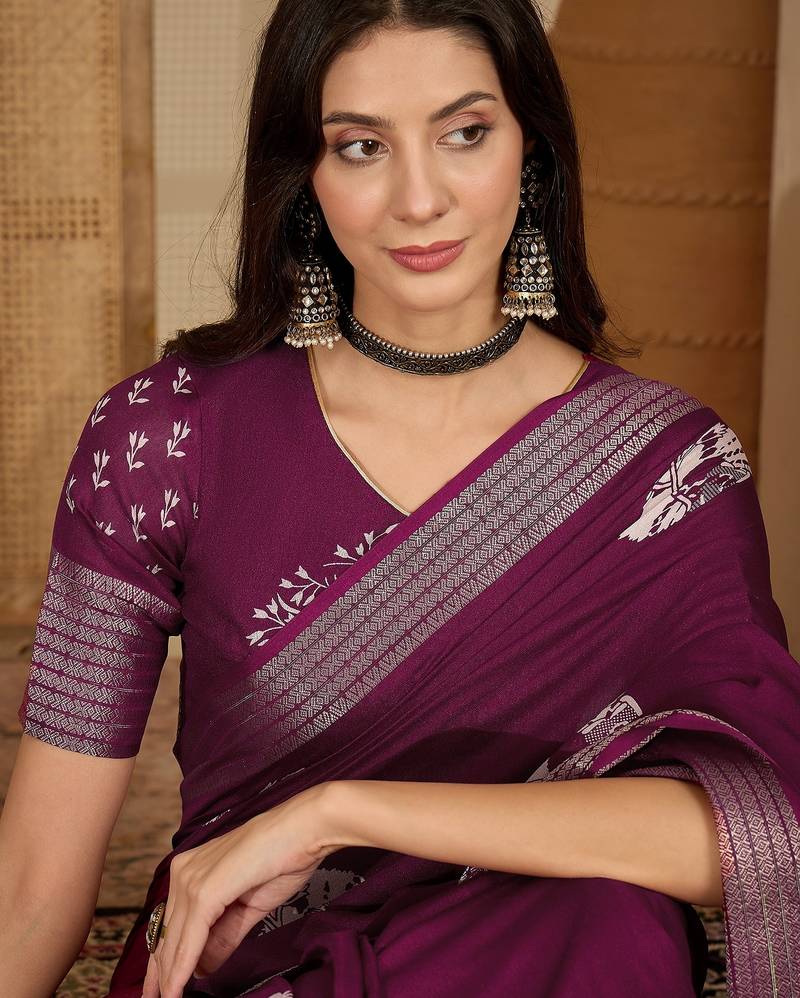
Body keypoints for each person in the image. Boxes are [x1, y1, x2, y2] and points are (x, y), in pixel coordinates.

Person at [3, 1, 799, 995]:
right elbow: (33, 885)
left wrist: (337, 811)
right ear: (304, 175)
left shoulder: (665, 467)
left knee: (598, 915)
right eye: (361, 147)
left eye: (464, 133)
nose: (418, 199)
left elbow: (761, 828)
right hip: (263, 967)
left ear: (532, 152)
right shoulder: (164, 439)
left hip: (557, 966)